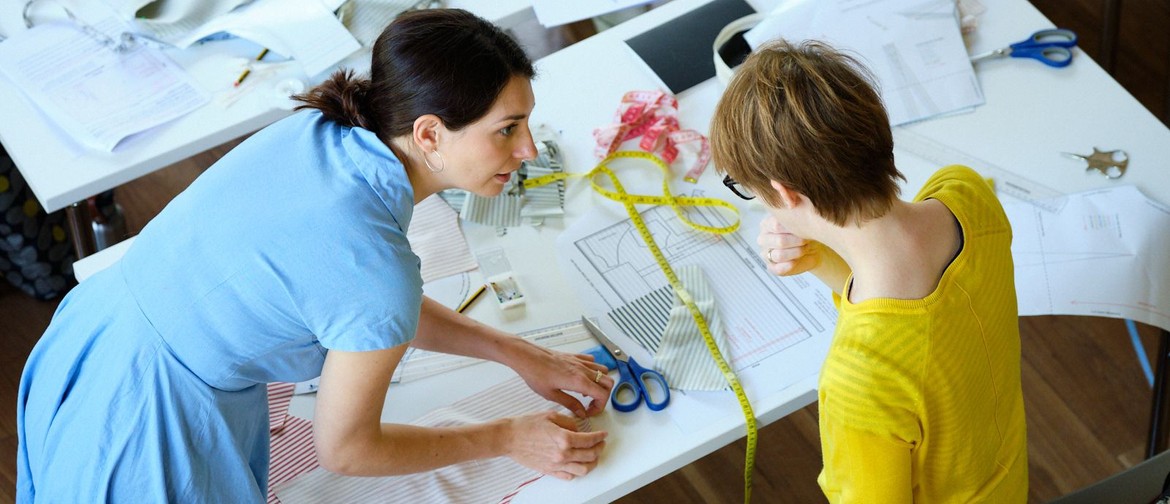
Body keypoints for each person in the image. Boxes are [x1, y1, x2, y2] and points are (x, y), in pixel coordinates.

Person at [17, 9, 614, 502]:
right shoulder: (377, 272)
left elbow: (356, 303)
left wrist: (517, 353)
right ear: (430, 134)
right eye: (507, 129)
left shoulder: (317, 133)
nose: (530, 148)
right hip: (153, 416)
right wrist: (509, 437)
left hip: (102, 330)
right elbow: (349, 448)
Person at [710, 40, 1028, 502]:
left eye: (747, 188)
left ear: (786, 192)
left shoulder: (859, 381)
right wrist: (822, 259)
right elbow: (922, 323)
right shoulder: (968, 194)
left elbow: (896, 345)